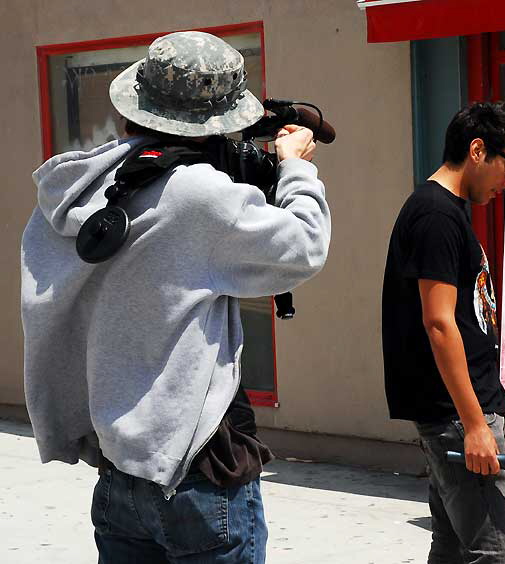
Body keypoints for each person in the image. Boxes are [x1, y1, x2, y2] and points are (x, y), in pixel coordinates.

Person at [21, 31, 331, 564]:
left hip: (118, 469)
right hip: (197, 474)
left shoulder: (84, 184)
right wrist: (296, 168)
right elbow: (303, 247)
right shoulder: (196, 196)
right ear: (218, 122)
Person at [381, 102, 505, 563]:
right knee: (496, 554)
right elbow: (439, 322)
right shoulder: (437, 216)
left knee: (452, 547)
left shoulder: (443, 211)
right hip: (456, 416)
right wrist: (474, 425)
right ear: (478, 149)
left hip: (452, 413)